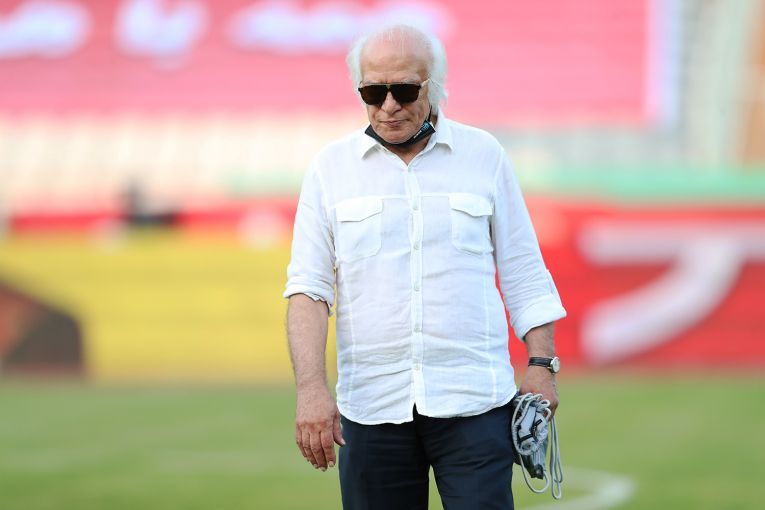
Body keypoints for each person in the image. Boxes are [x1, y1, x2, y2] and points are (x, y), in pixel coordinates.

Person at [283, 23, 566, 510]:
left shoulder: (484, 156)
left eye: (405, 90)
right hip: (371, 408)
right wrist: (311, 390)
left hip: (475, 402)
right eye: (373, 92)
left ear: (433, 87)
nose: (388, 105)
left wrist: (542, 366)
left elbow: (523, 271)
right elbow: (308, 290)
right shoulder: (330, 169)